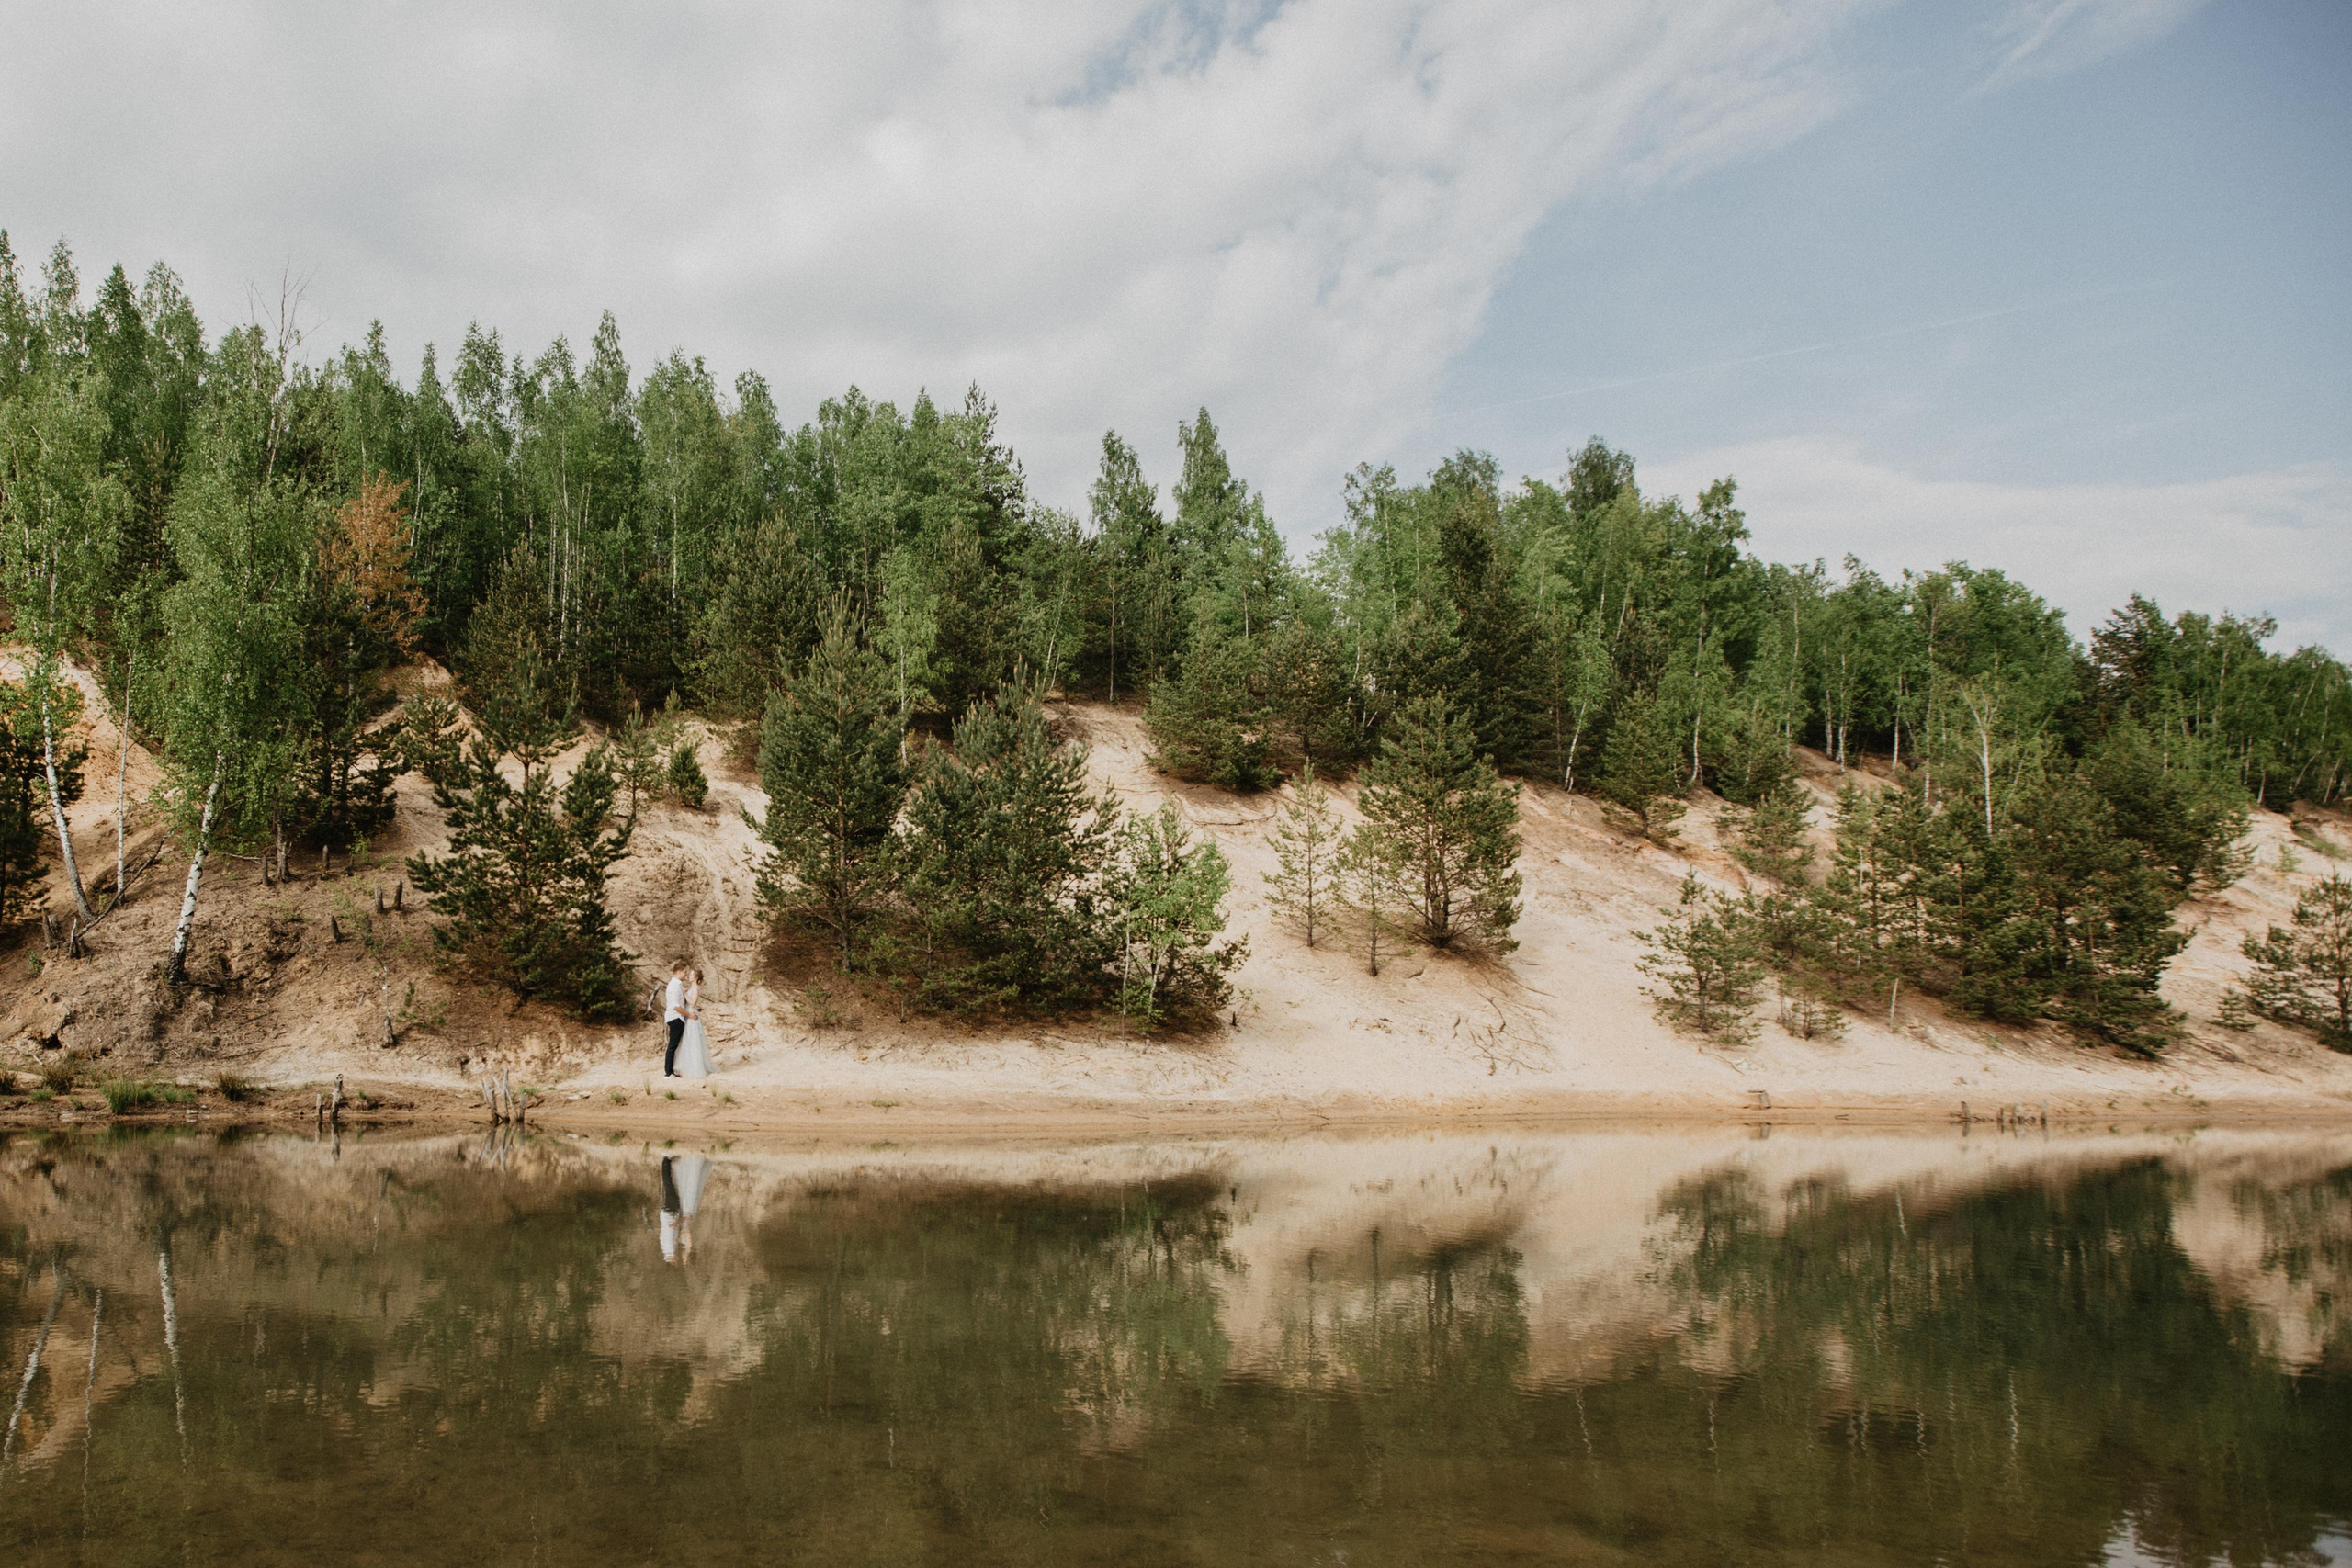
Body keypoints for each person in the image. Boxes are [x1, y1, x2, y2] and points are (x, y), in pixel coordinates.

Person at [676, 965, 714, 1078]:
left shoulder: (696, 988)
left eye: (692, 975)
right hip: (688, 1015)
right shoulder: (691, 988)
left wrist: (684, 993)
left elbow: (693, 1003)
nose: (689, 976)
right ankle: (688, 1064)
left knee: (693, 1039)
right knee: (688, 1039)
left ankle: (696, 1068)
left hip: (692, 1015)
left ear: (696, 977)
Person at [662, 958, 689, 1077]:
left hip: (676, 1017)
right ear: (679, 971)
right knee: (673, 1045)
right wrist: (689, 1014)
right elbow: (676, 1006)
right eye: (685, 972)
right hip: (676, 1018)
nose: (686, 975)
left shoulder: (676, 985)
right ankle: (668, 1072)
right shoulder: (674, 986)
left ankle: (671, 1070)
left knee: (674, 1045)